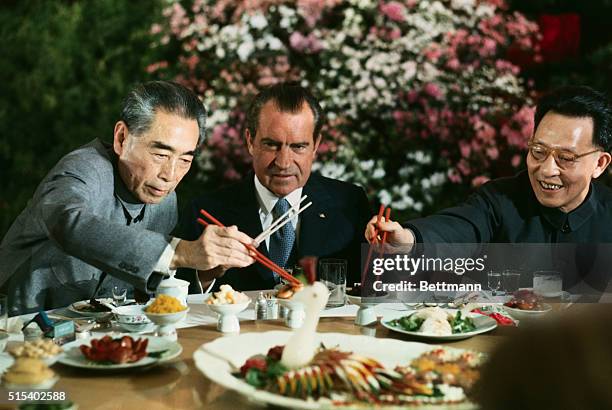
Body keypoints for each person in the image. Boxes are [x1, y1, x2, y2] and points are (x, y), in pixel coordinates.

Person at [0, 81, 254, 315]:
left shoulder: (166, 201)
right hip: (18, 325)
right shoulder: (83, 168)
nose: (171, 175)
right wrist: (180, 251)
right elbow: (67, 222)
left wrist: (204, 272)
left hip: (96, 336)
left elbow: (149, 295)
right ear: (122, 138)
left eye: (185, 159)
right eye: (160, 155)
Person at [365, 86, 612, 292]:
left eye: (565, 158)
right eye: (538, 151)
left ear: (599, 164)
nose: (547, 170)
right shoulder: (500, 199)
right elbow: (458, 229)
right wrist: (407, 241)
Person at [178, 82, 371, 291]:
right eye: (271, 145)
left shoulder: (350, 203)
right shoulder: (206, 211)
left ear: (315, 145)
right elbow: (176, 297)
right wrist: (207, 273)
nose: (283, 162)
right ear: (250, 141)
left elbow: (376, 288)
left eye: (298, 147)